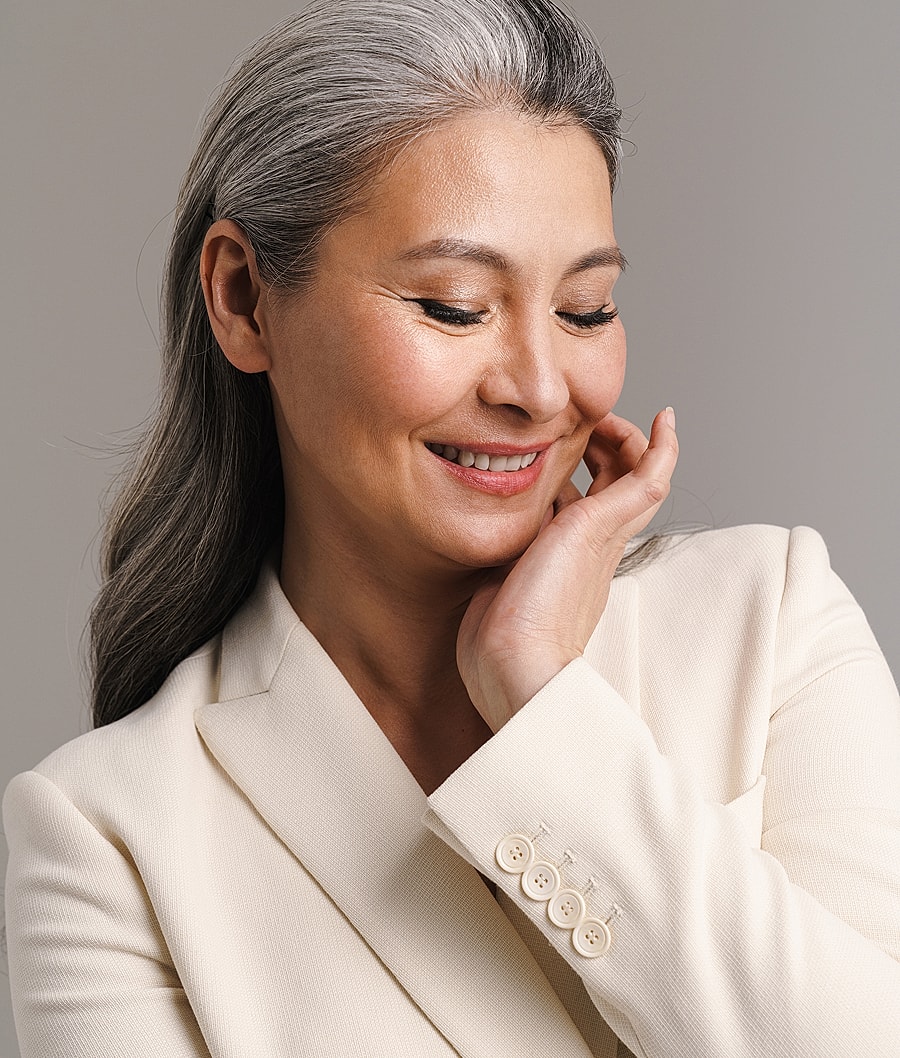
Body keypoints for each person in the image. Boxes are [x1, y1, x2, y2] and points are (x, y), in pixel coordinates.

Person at [4, 0, 899, 1054]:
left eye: (585, 310)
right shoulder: (106, 836)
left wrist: (543, 698)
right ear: (244, 297)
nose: (536, 387)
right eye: (456, 306)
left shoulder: (769, 619)